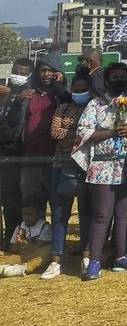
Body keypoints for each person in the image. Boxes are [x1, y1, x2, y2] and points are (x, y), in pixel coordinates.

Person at [76, 63, 127, 280]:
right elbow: (83, 133)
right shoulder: (96, 105)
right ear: (106, 81)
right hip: (102, 166)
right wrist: (111, 132)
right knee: (102, 215)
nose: (120, 81)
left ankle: (122, 255)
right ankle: (94, 261)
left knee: (124, 215)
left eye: (123, 77)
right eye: (115, 77)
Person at [43, 71, 94, 279]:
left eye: (83, 90)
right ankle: (55, 260)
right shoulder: (63, 107)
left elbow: (93, 133)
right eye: (76, 89)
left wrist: (73, 135)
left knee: (86, 214)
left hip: (86, 166)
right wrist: (80, 135)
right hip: (60, 165)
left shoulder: (94, 108)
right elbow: (55, 133)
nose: (79, 93)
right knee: (59, 214)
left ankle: (87, 257)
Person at [16, 53, 66, 216]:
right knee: (31, 205)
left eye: (51, 70)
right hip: (30, 156)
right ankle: (35, 239)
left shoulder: (62, 94)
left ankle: (53, 241)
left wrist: (60, 88)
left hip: (55, 158)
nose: (46, 74)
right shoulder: (29, 92)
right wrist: (17, 99)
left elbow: (69, 105)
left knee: (56, 204)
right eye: (43, 70)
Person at [0, 58, 34, 250]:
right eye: (16, 71)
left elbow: (17, 127)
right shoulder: (3, 89)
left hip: (15, 154)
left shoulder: (29, 94)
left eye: (23, 73)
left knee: (12, 202)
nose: (18, 76)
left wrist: (14, 97)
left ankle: (11, 241)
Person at [0, 201, 51, 277]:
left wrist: (25, 240)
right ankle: (13, 268)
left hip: (35, 256)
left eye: (31, 214)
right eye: (24, 214)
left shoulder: (44, 227)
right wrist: (18, 242)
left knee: (49, 250)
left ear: (39, 214)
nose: (27, 217)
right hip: (21, 257)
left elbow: (38, 248)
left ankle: (23, 268)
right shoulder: (20, 226)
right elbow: (12, 251)